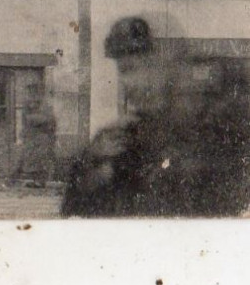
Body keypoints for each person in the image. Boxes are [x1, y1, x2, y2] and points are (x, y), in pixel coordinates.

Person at [62, 16, 250, 217]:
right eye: (124, 70)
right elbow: (76, 217)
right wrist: (93, 168)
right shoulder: (115, 140)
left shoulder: (218, 134)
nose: (132, 82)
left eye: (144, 67)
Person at [8, 88, 57, 188]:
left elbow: (48, 120)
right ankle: (13, 179)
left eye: (34, 96)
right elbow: (26, 122)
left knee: (39, 161)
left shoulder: (45, 107)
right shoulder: (28, 108)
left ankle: (38, 182)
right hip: (31, 138)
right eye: (31, 96)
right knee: (24, 160)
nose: (32, 99)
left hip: (42, 139)